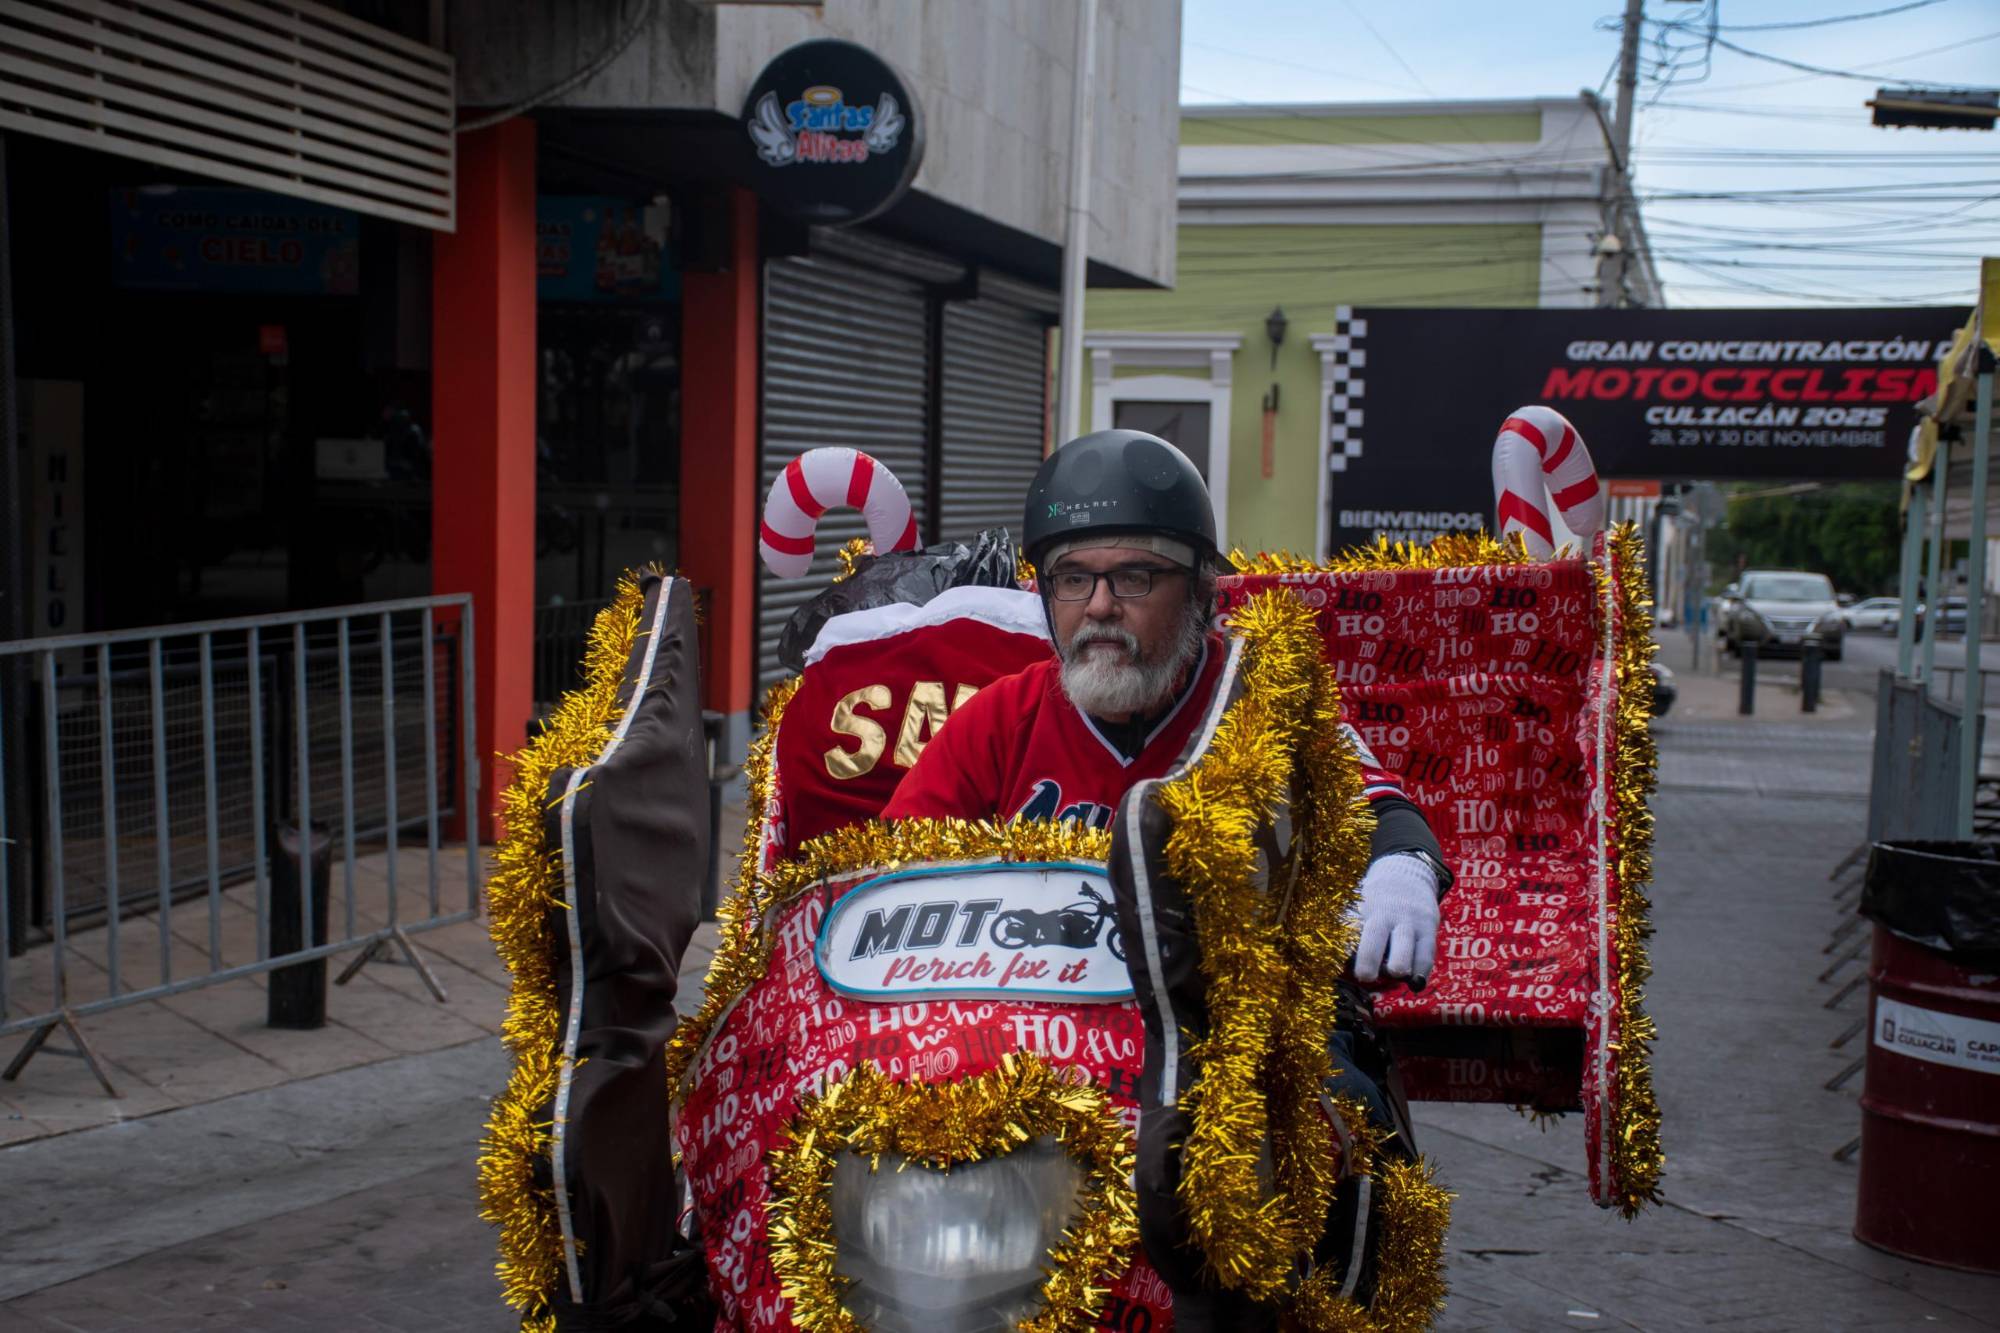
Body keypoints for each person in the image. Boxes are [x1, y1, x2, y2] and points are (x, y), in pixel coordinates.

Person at [884, 428, 1449, 987]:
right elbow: (890, 872)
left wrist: (1403, 866)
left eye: (1135, 577)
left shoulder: (1262, 697)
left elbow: (1380, 808)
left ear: (1201, 592)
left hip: (1234, 1017)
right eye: (1074, 578)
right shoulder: (999, 717)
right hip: (1033, 1029)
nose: (1100, 606)